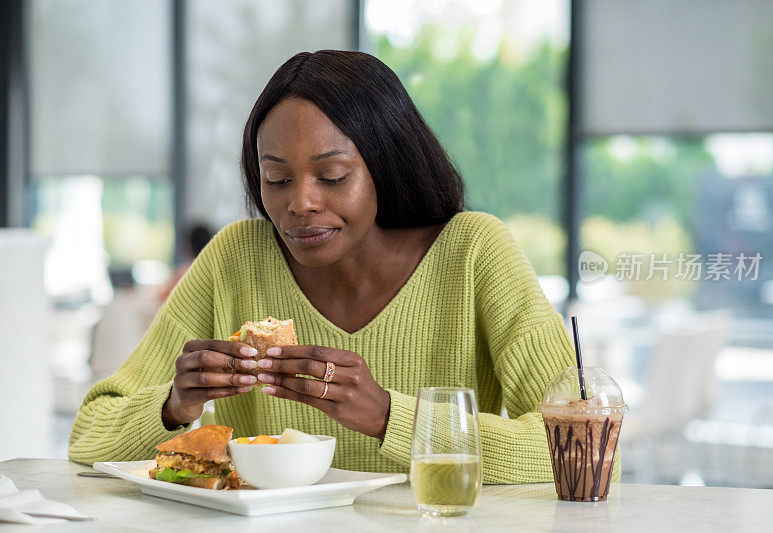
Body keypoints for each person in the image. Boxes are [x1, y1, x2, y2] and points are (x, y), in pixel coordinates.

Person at [69, 50, 585, 483]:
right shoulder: (237, 259)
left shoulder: (474, 253)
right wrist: (173, 406)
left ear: (386, 163)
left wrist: (389, 417)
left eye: (333, 176)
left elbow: (581, 442)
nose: (301, 204)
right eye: (276, 180)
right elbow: (88, 433)